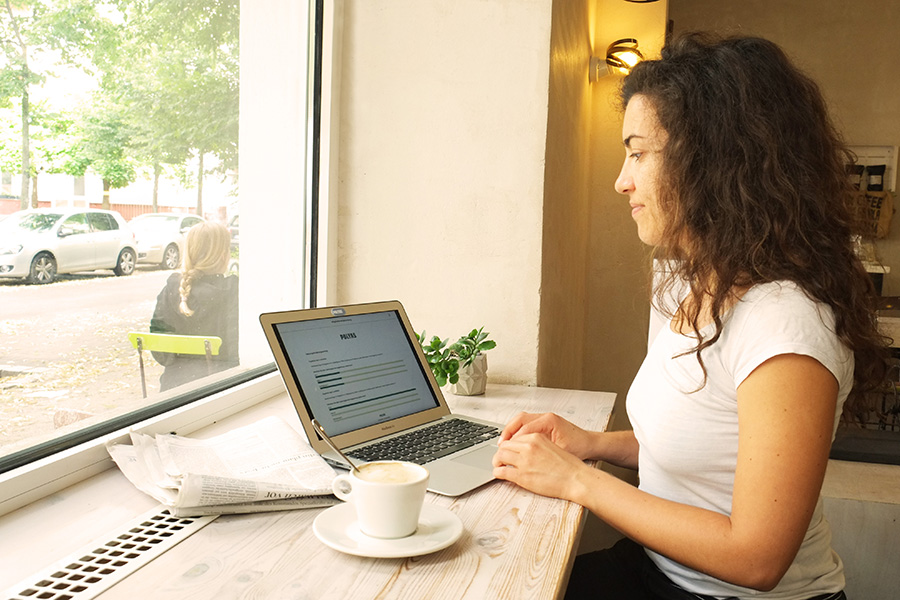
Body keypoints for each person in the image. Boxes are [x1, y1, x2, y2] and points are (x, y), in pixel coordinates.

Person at [492, 33, 888, 600]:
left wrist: (576, 482)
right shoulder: (688, 279)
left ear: (712, 162)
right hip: (661, 569)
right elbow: (703, 447)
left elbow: (756, 558)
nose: (620, 179)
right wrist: (591, 445)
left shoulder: (787, 326)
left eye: (638, 152)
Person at [150, 220, 239, 391]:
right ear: (223, 255)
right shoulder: (232, 291)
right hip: (222, 388)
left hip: (172, 391)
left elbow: (160, 353)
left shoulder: (170, 290)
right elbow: (236, 350)